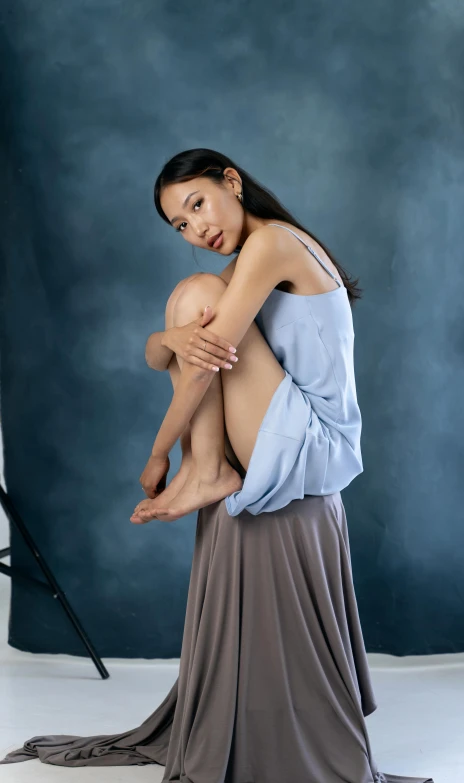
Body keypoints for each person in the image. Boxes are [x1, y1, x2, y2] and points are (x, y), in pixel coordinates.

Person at [0, 148, 433, 783]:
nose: (196, 229)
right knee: (191, 298)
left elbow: (207, 364)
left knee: (198, 297)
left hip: (316, 441)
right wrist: (168, 340)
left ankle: (204, 471)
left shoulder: (275, 244)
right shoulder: (245, 263)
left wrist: (157, 452)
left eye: (197, 204)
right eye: (179, 224)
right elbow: (164, 354)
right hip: (283, 431)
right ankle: (206, 469)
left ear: (232, 182)